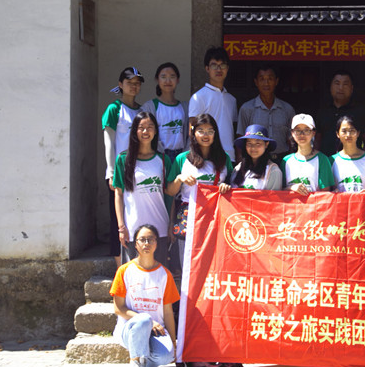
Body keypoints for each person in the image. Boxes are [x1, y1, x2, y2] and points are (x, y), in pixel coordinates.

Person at [110, 224, 179, 367]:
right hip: (131, 329)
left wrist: (174, 344)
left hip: (156, 332)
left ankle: (142, 363)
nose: (146, 243)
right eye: (142, 239)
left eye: (150, 239)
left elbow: (168, 312)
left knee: (166, 356)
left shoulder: (164, 274)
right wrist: (149, 321)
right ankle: (134, 361)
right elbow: (119, 309)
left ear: (156, 244)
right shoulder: (124, 271)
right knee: (144, 319)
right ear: (136, 244)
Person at [165, 113, 233, 268]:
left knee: (212, 264)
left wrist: (226, 187)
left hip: (215, 217)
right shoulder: (182, 159)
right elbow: (170, 191)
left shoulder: (224, 159)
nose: (205, 135)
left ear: (215, 134)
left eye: (210, 131)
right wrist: (179, 179)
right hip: (189, 216)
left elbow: (232, 186)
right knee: (188, 263)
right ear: (193, 133)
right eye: (201, 131)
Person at [113, 111, 171, 266]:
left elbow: (169, 195)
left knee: (159, 273)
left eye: (150, 127)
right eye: (141, 127)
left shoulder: (163, 160)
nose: (146, 131)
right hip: (133, 229)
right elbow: (118, 194)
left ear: (156, 131)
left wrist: (171, 224)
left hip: (160, 228)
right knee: (134, 274)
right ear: (134, 131)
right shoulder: (123, 159)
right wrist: (121, 227)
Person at [103, 66, 145, 267]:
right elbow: (109, 141)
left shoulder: (142, 111)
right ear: (120, 84)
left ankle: (137, 261)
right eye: (129, 82)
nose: (133, 86)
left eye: (137, 83)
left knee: (135, 215)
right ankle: (120, 267)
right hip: (119, 171)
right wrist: (111, 171)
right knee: (117, 219)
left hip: (139, 171)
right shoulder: (114, 109)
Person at [236, 64, 295, 163]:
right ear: (256, 82)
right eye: (262, 79)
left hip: (282, 160)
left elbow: (292, 138)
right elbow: (241, 136)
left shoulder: (287, 109)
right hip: (255, 160)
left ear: (276, 81)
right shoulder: (247, 108)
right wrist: (240, 159)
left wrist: (291, 160)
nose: (266, 83)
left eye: (270, 79)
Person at [188, 47, 237, 162]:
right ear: (207, 68)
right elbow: (192, 130)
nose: (218, 69)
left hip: (229, 156)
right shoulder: (198, 97)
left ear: (227, 68)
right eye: (214, 65)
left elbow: (233, 130)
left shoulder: (232, 100)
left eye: (222, 65)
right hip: (207, 157)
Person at [315, 70, 365, 155]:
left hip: (353, 160)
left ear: (351, 88)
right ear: (331, 87)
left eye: (345, 84)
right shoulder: (323, 111)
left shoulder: (360, 111)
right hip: (326, 160)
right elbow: (317, 139)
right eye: (337, 83)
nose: (341, 88)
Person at [142, 62, 188, 161]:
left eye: (172, 76)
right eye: (163, 77)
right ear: (157, 80)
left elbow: (190, 133)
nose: (168, 81)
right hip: (159, 156)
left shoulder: (184, 107)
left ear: (178, 80)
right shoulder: (150, 106)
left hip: (181, 156)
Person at [282, 113, 335, 195]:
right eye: (298, 130)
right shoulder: (286, 161)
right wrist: (291, 188)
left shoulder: (322, 159)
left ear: (313, 133)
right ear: (292, 133)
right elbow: (280, 191)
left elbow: (325, 194)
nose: (302, 134)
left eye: (306, 130)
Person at [330, 115, 365, 193]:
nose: (348, 135)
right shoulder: (331, 161)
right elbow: (327, 191)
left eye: (352, 131)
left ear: (358, 133)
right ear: (337, 134)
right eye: (344, 131)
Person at [231, 124, 284, 190]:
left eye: (258, 143)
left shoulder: (273, 171)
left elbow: (274, 196)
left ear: (266, 144)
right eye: (249, 143)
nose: (253, 148)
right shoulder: (238, 168)